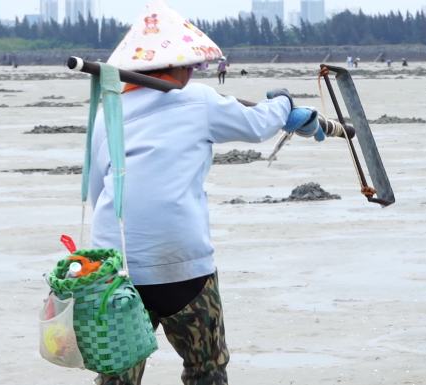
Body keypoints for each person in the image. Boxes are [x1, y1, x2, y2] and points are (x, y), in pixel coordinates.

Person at [89, 1, 325, 384]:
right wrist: (282, 103)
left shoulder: (107, 112)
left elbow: (98, 187)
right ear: (177, 65)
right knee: (206, 368)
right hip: (181, 261)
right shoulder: (196, 100)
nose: (193, 71)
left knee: (117, 376)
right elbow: (256, 126)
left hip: (114, 265)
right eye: (190, 65)